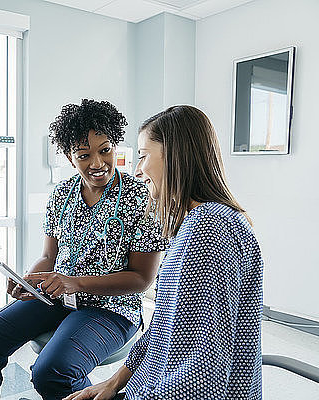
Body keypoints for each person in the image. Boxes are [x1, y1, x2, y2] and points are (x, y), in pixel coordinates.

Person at [0, 99, 167, 399]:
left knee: (51, 371)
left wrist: (74, 282)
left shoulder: (141, 197)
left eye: (104, 150)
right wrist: (28, 281)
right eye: (84, 155)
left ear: (114, 146)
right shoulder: (62, 194)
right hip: (57, 298)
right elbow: (48, 257)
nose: (97, 163)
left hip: (112, 309)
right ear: (70, 158)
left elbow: (142, 279)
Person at [65, 105, 264, 400]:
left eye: (144, 155)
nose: (137, 169)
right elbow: (163, 328)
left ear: (174, 155)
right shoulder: (196, 224)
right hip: (149, 384)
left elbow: (202, 375)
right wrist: (113, 383)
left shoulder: (210, 229)